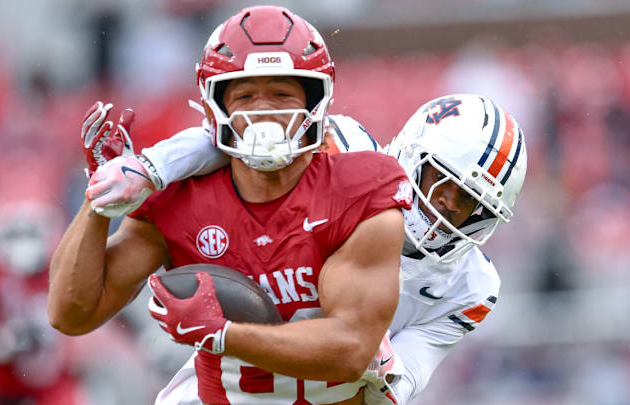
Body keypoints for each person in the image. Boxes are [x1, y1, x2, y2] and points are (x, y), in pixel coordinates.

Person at [48, 5, 412, 405]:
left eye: (281, 93)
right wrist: (100, 199)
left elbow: (350, 349)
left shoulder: (360, 187)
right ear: (215, 104)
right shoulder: (181, 198)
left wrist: (225, 334)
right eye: (245, 94)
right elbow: (73, 313)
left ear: (315, 102)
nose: (263, 111)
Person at [86, 91, 527, 405]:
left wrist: (379, 361)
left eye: (469, 202)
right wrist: (151, 168)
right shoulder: (347, 150)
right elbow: (232, 137)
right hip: (236, 381)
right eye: (442, 183)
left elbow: (403, 383)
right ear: (413, 156)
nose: (446, 206)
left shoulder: (472, 286)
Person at [0, 173, 83, 404]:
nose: (22, 245)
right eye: (13, 233)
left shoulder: (64, 267)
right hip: (1, 392)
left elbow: (108, 314)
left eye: (30, 232)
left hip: (55, 388)